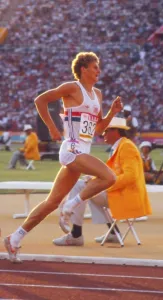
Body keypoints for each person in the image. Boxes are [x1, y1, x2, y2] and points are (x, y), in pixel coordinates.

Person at [4, 52, 123, 263]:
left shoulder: (98, 94)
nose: (99, 71)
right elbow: (40, 100)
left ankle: (14, 238)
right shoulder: (72, 88)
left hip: (83, 152)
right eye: (95, 67)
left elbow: (98, 128)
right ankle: (71, 206)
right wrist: (52, 127)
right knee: (110, 177)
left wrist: (112, 113)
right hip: (71, 149)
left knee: (51, 202)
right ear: (83, 69)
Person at [52, 117, 152, 246]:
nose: (103, 134)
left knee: (81, 188)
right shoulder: (120, 146)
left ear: (116, 131)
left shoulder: (126, 147)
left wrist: (104, 186)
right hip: (120, 192)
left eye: (106, 131)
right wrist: (93, 179)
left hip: (126, 195)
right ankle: (113, 233)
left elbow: (130, 176)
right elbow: (109, 175)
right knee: (83, 186)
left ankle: (76, 234)